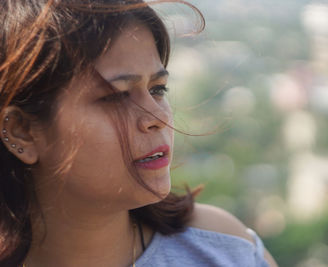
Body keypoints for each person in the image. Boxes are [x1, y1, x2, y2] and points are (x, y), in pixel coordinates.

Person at [0, 0, 278, 266]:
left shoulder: (223, 250)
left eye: (157, 89)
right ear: (22, 131)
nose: (158, 118)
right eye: (116, 97)